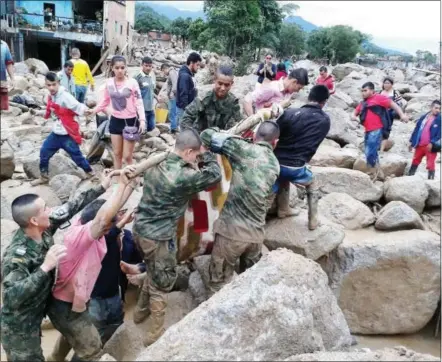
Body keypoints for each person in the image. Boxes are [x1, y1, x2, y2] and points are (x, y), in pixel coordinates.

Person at [1, 170, 116, 362]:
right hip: (19, 325)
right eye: (45, 208)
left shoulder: (43, 228)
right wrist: (44, 268)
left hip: (43, 305)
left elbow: (70, 207)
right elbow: (11, 296)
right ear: (34, 221)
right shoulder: (17, 255)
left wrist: (102, 187)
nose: (50, 210)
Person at [131, 129, 222, 346]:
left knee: (152, 269)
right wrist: (208, 154)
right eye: (196, 155)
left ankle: (139, 312)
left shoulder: (155, 164)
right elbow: (214, 175)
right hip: (159, 237)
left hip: (140, 230)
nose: (197, 160)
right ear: (189, 151)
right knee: (161, 282)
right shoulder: (182, 177)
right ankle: (155, 332)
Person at [47, 167, 137, 361]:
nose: (109, 231)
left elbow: (106, 216)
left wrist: (129, 185)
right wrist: (120, 185)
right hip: (77, 301)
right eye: (107, 228)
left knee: (75, 334)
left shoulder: (94, 228)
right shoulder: (80, 237)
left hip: (87, 297)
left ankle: (55, 357)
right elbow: (104, 219)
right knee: (89, 346)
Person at [200, 122, 280, 296]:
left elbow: (206, 135)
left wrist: (225, 133)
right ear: (276, 143)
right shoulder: (275, 165)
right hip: (256, 237)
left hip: (232, 234)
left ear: (253, 137)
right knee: (250, 283)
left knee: (217, 283)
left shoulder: (243, 149)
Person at [273, 85, 332, 230]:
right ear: (324, 102)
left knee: (282, 179)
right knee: (312, 184)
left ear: (308, 97)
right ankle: (313, 221)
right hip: (296, 167)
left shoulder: (289, 113)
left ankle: (283, 209)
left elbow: (274, 134)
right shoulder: (325, 120)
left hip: (275, 164)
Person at [30, 72, 95, 186]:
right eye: (48, 85)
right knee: (44, 152)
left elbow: (77, 105)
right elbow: (50, 112)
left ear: (58, 83)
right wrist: (39, 113)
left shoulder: (65, 96)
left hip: (67, 134)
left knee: (77, 156)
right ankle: (44, 177)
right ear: (45, 85)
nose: (51, 87)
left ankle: (91, 174)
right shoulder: (52, 96)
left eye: (53, 84)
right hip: (56, 133)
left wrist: (87, 111)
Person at [91, 56, 146, 171]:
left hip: (130, 121)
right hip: (115, 121)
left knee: (127, 156)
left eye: (122, 67)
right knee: (116, 154)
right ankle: (117, 179)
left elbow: (139, 102)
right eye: (117, 68)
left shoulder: (132, 83)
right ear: (112, 68)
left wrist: (142, 120)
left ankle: (132, 178)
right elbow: (105, 101)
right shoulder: (109, 83)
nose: (120, 70)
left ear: (126, 68)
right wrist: (93, 110)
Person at [351, 82, 408, 180]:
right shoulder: (363, 103)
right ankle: (378, 172)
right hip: (367, 130)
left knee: (369, 151)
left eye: (365, 91)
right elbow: (355, 112)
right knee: (372, 152)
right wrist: (353, 117)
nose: (363, 93)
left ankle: (372, 172)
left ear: (372, 91)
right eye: (362, 91)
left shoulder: (379, 98)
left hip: (377, 130)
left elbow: (393, 105)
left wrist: (402, 115)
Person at [181, 66, 242, 132]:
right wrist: (191, 135)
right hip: (200, 137)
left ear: (231, 84)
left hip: (220, 138)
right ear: (214, 80)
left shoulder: (233, 102)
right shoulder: (204, 98)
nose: (223, 88)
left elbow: (239, 123)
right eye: (220, 83)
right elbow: (187, 117)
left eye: (226, 85)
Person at [243, 68, 309, 117]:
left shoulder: (289, 93)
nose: (298, 91)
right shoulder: (272, 88)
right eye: (299, 88)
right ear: (294, 81)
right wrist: (252, 119)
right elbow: (247, 100)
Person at [408, 100, 441, 180]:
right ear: (431, 107)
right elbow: (416, 129)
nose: (438, 110)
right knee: (415, 160)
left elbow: (439, 134)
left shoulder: (439, 119)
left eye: (439, 108)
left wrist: (432, 142)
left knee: (430, 164)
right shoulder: (424, 117)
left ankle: (430, 181)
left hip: (430, 146)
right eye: (436, 108)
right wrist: (412, 142)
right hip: (419, 144)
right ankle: (409, 177)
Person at [379, 77, 407, 152]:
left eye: (388, 83)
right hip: (380, 113)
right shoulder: (380, 92)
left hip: (389, 114)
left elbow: (400, 103)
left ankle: (381, 149)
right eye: (385, 83)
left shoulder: (395, 93)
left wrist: (401, 114)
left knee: (386, 129)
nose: (386, 85)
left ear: (392, 84)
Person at [176, 52, 202, 131]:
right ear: (191, 63)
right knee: (184, 132)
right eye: (197, 65)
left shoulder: (189, 75)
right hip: (184, 109)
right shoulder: (185, 76)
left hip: (186, 108)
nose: (198, 67)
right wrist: (187, 110)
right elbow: (184, 94)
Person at [134, 57, 157, 132]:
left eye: (150, 66)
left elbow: (151, 90)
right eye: (146, 65)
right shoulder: (137, 77)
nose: (148, 68)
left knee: (152, 128)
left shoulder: (151, 76)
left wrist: (156, 97)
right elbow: (133, 94)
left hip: (151, 108)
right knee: (142, 131)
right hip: (142, 110)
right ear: (142, 65)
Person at [161, 63, 178, 134]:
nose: (163, 73)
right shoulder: (171, 73)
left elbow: (175, 84)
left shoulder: (172, 72)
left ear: (165, 68)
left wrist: (172, 94)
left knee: (172, 112)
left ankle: (173, 128)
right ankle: (174, 127)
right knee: (173, 112)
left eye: (163, 71)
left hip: (174, 96)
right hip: (173, 96)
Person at [1, 39, 15, 111]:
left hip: (2, 83)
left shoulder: (4, 45)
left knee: (4, 110)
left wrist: (12, 79)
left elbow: (8, 63)